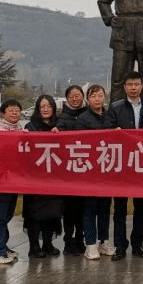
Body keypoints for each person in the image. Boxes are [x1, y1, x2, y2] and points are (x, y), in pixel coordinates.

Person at [108, 71, 143, 260]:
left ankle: (138, 244)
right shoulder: (115, 108)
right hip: (122, 164)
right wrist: (114, 132)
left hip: (142, 163)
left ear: (142, 86)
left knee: (141, 207)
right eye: (130, 84)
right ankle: (120, 246)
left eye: (136, 84)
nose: (133, 88)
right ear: (124, 87)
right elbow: (107, 132)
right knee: (120, 208)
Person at [23, 94, 64, 258]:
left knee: (51, 212)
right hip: (35, 178)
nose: (46, 109)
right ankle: (34, 246)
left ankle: (48, 243)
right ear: (38, 109)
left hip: (54, 177)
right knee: (34, 213)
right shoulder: (30, 126)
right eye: (42, 107)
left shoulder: (59, 125)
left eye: (49, 106)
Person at [77, 84, 114, 261]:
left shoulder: (110, 116)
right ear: (88, 99)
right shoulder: (83, 119)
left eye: (100, 95)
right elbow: (78, 143)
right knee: (90, 208)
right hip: (89, 171)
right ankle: (90, 244)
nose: (97, 99)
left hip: (107, 170)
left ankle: (104, 241)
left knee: (105, 208)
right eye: (93, 96)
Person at [0, 99, 24, 264]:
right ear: (3, 114)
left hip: (13, 179)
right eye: (11, 110)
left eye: (17, 110)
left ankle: (2, 246)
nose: (15, 113)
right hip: (0, 179)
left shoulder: (19, 129)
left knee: (7, 214)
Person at [56, 84, 87, 255]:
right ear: (67, 99)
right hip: (67, 171)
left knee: (82, 209)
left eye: (78, 95)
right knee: (68, 210)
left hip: (85, 169)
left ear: (83, 96)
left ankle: (80, 240)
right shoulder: (61, 117)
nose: (75, 99)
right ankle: (68, 241)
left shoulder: (89, 114)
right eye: (71, 96)